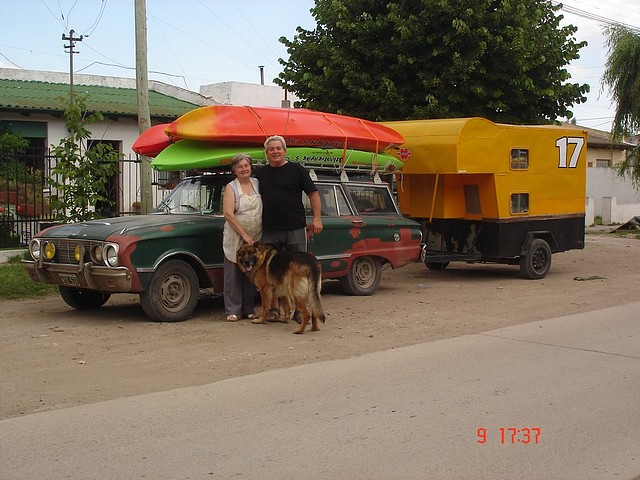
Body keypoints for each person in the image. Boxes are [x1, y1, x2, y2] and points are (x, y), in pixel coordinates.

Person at [255, 135, 323, 321]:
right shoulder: (261, 174)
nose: (275, 151)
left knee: (300, 271)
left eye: (278, 148)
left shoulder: (297, 170)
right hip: (270, 228)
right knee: (272, 272)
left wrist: (317, 219)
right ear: (266, 152)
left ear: (285, 151)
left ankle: (300, 311)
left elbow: (313, 194)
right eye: (271, 149)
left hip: (295, 227)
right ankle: (275, 309)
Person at [222, 153, 263, 322]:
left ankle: (249, 308)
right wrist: (244, 235)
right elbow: (228, 213)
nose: (244, 169)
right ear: (234, 170)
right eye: (240, 167)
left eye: (246, 166)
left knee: (251, 272)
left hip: (255, 236)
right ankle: (233, 310)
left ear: (250, 167)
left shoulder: (257, 184)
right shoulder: (231, 187)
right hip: (236, 236)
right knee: (233, 273)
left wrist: (252, 236)